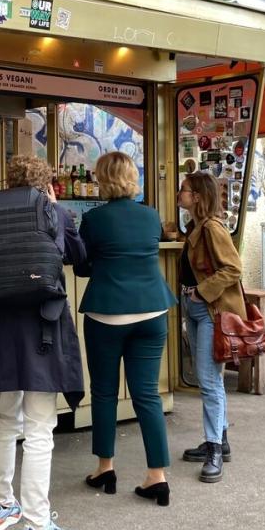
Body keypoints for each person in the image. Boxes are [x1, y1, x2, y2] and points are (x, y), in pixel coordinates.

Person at [0, 156, 86, 530]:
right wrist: (55, 210)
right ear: (46, 182)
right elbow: (78, 257)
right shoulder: (54, 211)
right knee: (39, 428)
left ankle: (0, 504)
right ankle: (37, 524)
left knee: (5, 419)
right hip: (42, 325)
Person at [74, 152, 178, 504]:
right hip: (152, 311)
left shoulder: (94, 219)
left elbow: (82, 266)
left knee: (104, 392)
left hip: (107, 313)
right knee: (147, 394)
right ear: (132, 177)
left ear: (102, 178)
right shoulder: (151, 216)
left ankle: (105, 468)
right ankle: (157, 477)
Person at [171, 171, 245, 484]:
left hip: (209, 310)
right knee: (210, 378)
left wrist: (202, 291)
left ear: (197, 196)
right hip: (196, 308)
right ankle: (220, 439)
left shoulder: (213, 227)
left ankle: (215, 448)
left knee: (209, 380)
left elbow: (234, 268)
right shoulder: (197, 227)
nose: (179, 193)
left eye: (184, 190)